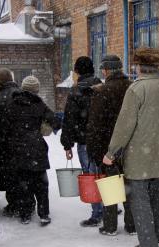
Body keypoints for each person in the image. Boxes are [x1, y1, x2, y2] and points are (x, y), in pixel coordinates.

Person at [103, 47, 159, 247]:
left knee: (140, 200)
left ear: (138, 67)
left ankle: (148, 245)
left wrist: (112, 153)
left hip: (139, 154)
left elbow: (124, 125)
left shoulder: (136, 90)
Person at [86, 55, 135, 236]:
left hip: (109, 148)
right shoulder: (133, 88)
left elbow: (95, 125)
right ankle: (132, 225)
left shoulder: (102, 91)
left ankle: (110, 226)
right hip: (132, 146)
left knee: (111, 185)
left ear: (106, 70)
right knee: (130, 186)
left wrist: (95, 152)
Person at [4, 76, 60, 225]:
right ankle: (43, 214)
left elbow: (4, 126)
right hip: (36, 148)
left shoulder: (12, 103)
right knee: (41, 184)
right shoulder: (39, 104)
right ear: (36, 90)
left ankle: (25, 214)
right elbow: (55, 121)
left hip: (17, 149)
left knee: (23, 183)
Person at [60, 56, 103, 227]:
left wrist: (67, 144)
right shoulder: (102, 87)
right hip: (103, 140)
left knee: (91, 176)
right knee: (104, 174)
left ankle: (97, 213)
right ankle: (109, 206)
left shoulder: (76, 92)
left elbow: (69, 120)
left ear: (77, 71)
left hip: (85, 142)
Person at [0, 68, 22, 217]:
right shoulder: (23, 95)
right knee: (24, 174)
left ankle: (14, 204)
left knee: (10, 175)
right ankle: (27, 203)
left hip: (5, 144)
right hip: (25, 142)